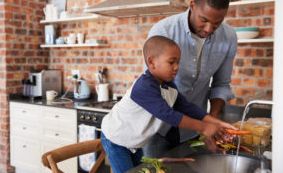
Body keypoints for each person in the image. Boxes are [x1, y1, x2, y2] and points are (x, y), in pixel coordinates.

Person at [101, 36, 237, 173]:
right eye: (171, 62)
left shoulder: (168, 86)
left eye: (178, 62)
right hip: (116, 139)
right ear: (152, 62)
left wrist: (217, 123)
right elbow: (169, 115)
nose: (176, 67)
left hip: (133, 142)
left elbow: (186, 107)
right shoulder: (144, 86)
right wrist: (205, 127)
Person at [143, 0, 238, 157]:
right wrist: (205, 125)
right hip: (158, 129)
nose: (209, 29)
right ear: (192, 6)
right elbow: (154, 89)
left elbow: (221, 85)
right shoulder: (163, 31)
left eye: (217, 23)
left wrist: (213, 121)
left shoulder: (229, 37)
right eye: (204, 20)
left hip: (194, 131)